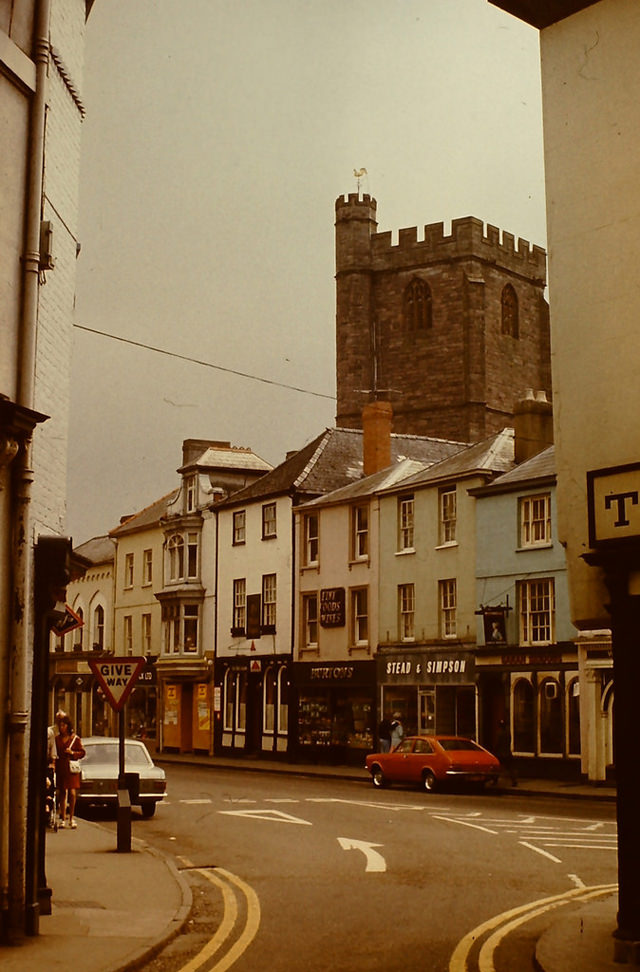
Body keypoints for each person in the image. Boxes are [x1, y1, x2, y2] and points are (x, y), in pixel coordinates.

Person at [55, 714, 86, 828]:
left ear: (68, 726)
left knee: (72, 793)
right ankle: (63, 817)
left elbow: (82, 752)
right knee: (62, 793)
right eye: (60, 725)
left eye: (63, 725)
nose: (61, 727)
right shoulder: (57, 739)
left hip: (71, 769)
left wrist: (72, 753)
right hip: (61, 768)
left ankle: (71, 818)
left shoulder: (75, 739)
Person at [494, 718, 517, 787]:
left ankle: (495, 780)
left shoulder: (500, 733)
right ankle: (514, 781)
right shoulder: (508, 733)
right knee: (510, 768)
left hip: (501, 754)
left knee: (497, 768)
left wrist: (495, 750)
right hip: (507, 753)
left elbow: (498, 744)